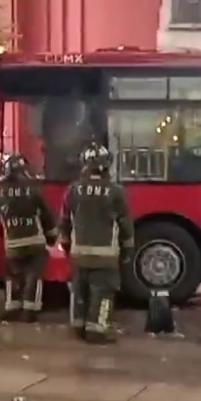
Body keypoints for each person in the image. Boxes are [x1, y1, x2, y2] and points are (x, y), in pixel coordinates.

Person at [58, 143, 133, 344]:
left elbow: (64, 222)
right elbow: (125, 224)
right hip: (105, 258)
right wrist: (127, 250)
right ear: (107, 165)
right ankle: (96, 331)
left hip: (78, 255)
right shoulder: (116, 191)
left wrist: (67, 246)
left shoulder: (73, 190)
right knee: (103, 293)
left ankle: (78, 327)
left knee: (79, 292)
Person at [0, 154, 57, 322]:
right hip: (35, 243)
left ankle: (12, 307)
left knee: (12, 275)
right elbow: (46, 216)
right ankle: (30, 311)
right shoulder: (33, 190)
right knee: (34, 276)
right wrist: (51, 237)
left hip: (13, 245)